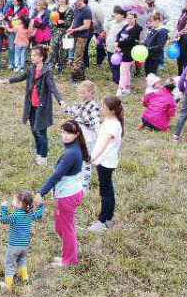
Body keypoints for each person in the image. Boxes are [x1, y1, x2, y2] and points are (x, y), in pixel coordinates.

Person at [39, 121, 88, 267]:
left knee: (66, 229)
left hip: (68, 196)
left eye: (69, 133)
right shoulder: (74, 148)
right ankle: (70, 253)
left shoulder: (71, 153)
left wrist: (40, 193)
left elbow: (56, 176)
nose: (65, 136)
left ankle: (69, 260)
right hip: (69, 194)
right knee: (62, 227)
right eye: (63, 132)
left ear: (77, 134)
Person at [9, 45, 64, 166]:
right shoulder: (31, 69)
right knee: (34, 131)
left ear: (41, 57)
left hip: (42, 107)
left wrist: (61, 100)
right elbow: (21, 77)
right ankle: (39, 153)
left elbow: (52, 87)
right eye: (32, 55)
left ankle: (43, 156)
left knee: (41, 132)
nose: (32, 57)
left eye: (34, 55)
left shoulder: (47, 71)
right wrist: (8, 81)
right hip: (31, 106)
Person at [87, 97, 124, 233]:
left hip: (105, 162)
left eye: (104, 107)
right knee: (107, 190)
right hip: (103, 161)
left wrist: (93, 158)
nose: (102, 109)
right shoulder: (109, 120)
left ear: (112, 110)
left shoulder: (114, 124)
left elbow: (104, 145)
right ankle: (108, 218)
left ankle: (103, 221)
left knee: (105, 191)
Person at [0, 191, 45, 291]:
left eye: (14, 200)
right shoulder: (30, 215)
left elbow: (3, 219)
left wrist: (4, 208)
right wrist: (41, 205)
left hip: (14, 246)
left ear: (20, 204)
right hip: (25, 246)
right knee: (22, 260)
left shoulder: (15, 216)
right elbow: (39, 215)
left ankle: (8, 286)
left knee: (10, 264)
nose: (12, 201)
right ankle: (25, 280)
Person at [62, 80, 101, 148]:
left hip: (88, 134)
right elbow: (73, 110)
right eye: (80, 93)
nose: (81, 95)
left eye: (83, 93)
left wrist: (100, 136)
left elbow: (96, 122)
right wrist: (65, 107)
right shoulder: (81, 104)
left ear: (91, 93)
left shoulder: (93, 106)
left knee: (88, 152)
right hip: (80, 131)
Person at [115, 11, 142, 96]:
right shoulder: (126, 26)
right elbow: (118, 34)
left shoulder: (137, 28)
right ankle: (127, 87)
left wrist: (119, 44)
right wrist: (117, 43)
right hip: (122, 50)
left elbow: (130, 40)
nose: (129, 20)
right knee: (126, 71)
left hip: (129, 52)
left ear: (135, 18)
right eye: (128, 18)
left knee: (123, 70)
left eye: (131, 18)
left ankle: (121, 88)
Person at [67, 0, 93, 81]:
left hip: (82, 36)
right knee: (74, 55)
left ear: (80, 1)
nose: (74, 4)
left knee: (78, 56)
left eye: (76, 2)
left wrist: (75, 29)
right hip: (74, 35)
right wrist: (71, 28)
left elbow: (87, 25)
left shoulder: (87, 10)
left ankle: (76, 78)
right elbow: (75, 21)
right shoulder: (76, 8)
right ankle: (80, 75)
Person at [47, 0, 73, 74]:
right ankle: (50, 67)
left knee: (63, 52)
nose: (60, 0)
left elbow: (69, 23)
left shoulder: (70, 9)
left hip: (65, 33)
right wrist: (53, 23)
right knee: (52, 50)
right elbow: (50, 20)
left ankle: (61, 68)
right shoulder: (55, 8)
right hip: (55, 32)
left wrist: (63, 22)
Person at [142, 12, 169, 76]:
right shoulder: (153, 29)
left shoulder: (162, 31)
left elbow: (160, 46)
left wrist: (148, 49)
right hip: (148, 55)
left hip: (155, 57)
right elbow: (148, 40)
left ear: (157, 21)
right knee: (147, 72)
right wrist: (143, 44)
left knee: (152, 74)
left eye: (151, 21)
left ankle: (152, 85)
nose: (150, 23)